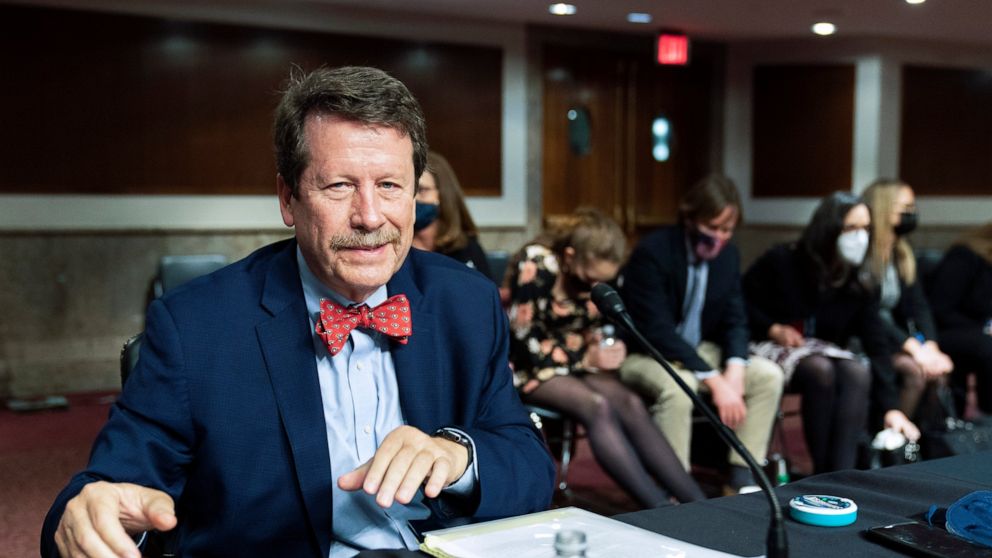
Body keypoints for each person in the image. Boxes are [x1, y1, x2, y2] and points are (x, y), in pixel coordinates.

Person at [41, 66, 554, 558]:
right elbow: (107, 492)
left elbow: (529, 462)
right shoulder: (196, 326)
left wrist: (458, 456)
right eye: (339, 186)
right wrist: (86, 517)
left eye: (390, 186)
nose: (370, 216)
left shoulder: (466, 301)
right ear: (288, 199)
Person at [507, 207, 706, 508]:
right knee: (597, 406)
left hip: (575, 364)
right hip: (529, 367)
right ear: (570, 256)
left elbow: (596, 327)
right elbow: (525, 342)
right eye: (587, 280)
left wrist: (609, 346)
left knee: (630, 403)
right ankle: (660, 509)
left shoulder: (604, 274)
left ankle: (697, 504)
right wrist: (586, 356)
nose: (591, 289)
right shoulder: (538, 262)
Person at [617, 174, 784, 494]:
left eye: (727, 230)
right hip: (646, 352)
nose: (719, 237)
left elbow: (736, 318)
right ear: (690, 218)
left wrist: (735, 368)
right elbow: (656, 330)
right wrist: (715, 380)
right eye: (712, 227)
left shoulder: (729, 256)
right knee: (679, 388)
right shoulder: (653, 252)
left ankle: (741, 477)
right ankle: (676, 488)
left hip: (697, 349)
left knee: (768, 376)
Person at [743, 192, 920, 474]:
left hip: (824, 351)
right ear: (829, 230)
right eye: (851, 228)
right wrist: (772, 328)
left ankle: (842, 474)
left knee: (856, 371)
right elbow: (740, 304)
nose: (860, 236)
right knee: (821, 370)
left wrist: (891, 406)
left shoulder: (860, 280)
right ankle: (822, 472)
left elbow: (876, 343)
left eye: (866, 228)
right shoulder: (783, 260)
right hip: (768, 343)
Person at [862, 179, 954, 422]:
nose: (911, 213)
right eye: (906, 207)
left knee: (938, 371)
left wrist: (931, 345)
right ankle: (894, 436)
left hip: (895, 338)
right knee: (916, 371)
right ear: (883, 208)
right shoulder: (863, 254)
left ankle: (923, 439)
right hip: (865, 337)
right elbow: (868, 315)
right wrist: (912, 347)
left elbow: (919, 305)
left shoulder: (901, 252)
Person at [928, 222, 992, 416]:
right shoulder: (964, 256)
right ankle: (987, 415)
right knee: (987, 346)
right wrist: (984, 329)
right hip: (942, 330)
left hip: (977, 331)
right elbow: (940, 309)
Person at [412, 151, 492, 279]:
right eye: (410, 190)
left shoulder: (466, 248)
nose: (414, 198)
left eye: (421, 190)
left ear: (443, 194)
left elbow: (486, 288)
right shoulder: (395, 249)